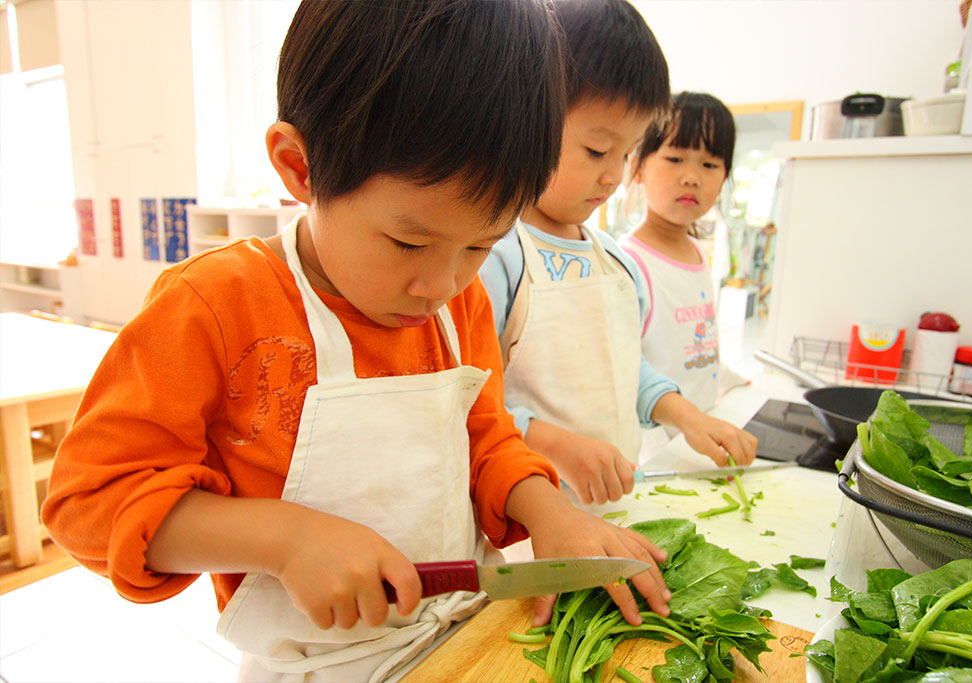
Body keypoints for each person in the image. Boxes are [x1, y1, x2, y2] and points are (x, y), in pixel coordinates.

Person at [41, 3, 674, 682]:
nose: (439, 282)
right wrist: (285, 539)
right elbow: (88, 504)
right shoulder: (215, 307)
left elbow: (486, 436)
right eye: (408, 241)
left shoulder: (461, 301)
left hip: (459, 640)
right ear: (299, 166)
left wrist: (550, 513)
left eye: (479, 245)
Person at [479, 0, 757, 509]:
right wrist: (554, 444)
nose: (613, 175)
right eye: (595, 150)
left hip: (614, 501)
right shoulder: (495, 253)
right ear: (527, 119)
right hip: (524, 515)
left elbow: (629, 367)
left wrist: (685, 415)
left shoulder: (614, 261)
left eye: (626, 153)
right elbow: (471, 400)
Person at [619, 91, 753, 417]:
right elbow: (623, 369)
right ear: (638, 167)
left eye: (709, 164)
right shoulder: (627, 263)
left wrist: (729, 380)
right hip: (653, 452)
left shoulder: (697, 253)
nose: (692, 177)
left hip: (701, 436)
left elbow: (694, 350)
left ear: (723, 179)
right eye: (675, 159)